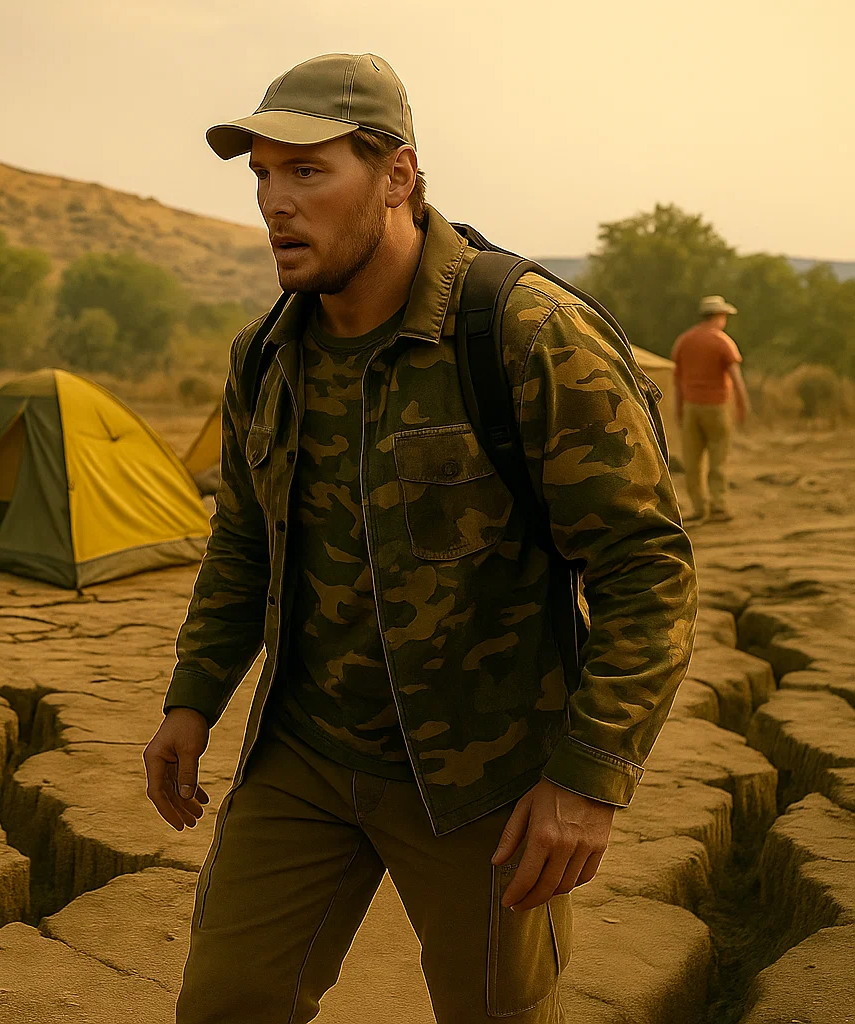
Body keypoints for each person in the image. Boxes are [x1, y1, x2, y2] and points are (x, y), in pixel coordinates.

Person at [141, 54, 696, 1024]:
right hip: (305, 752)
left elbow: (646, 569)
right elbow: (243, 541)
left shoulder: (525, 332)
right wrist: (194, 697)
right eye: (262, 174)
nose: (275, 202)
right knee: (227, 1003)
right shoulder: (266, 355)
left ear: (397, 175)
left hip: (484, 775)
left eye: (307, 171)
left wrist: (588, 777)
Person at [670, 295, 750, 523]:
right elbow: (736, 378)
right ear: (719, 316)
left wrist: (679, 409)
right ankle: (718, 506)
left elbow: (677, 380)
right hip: (716, 408)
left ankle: (698, 506)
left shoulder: (684, 341)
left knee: (692, 461)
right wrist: (743, 405)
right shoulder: (722, 342)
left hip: (691, 407)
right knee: (718, 459)